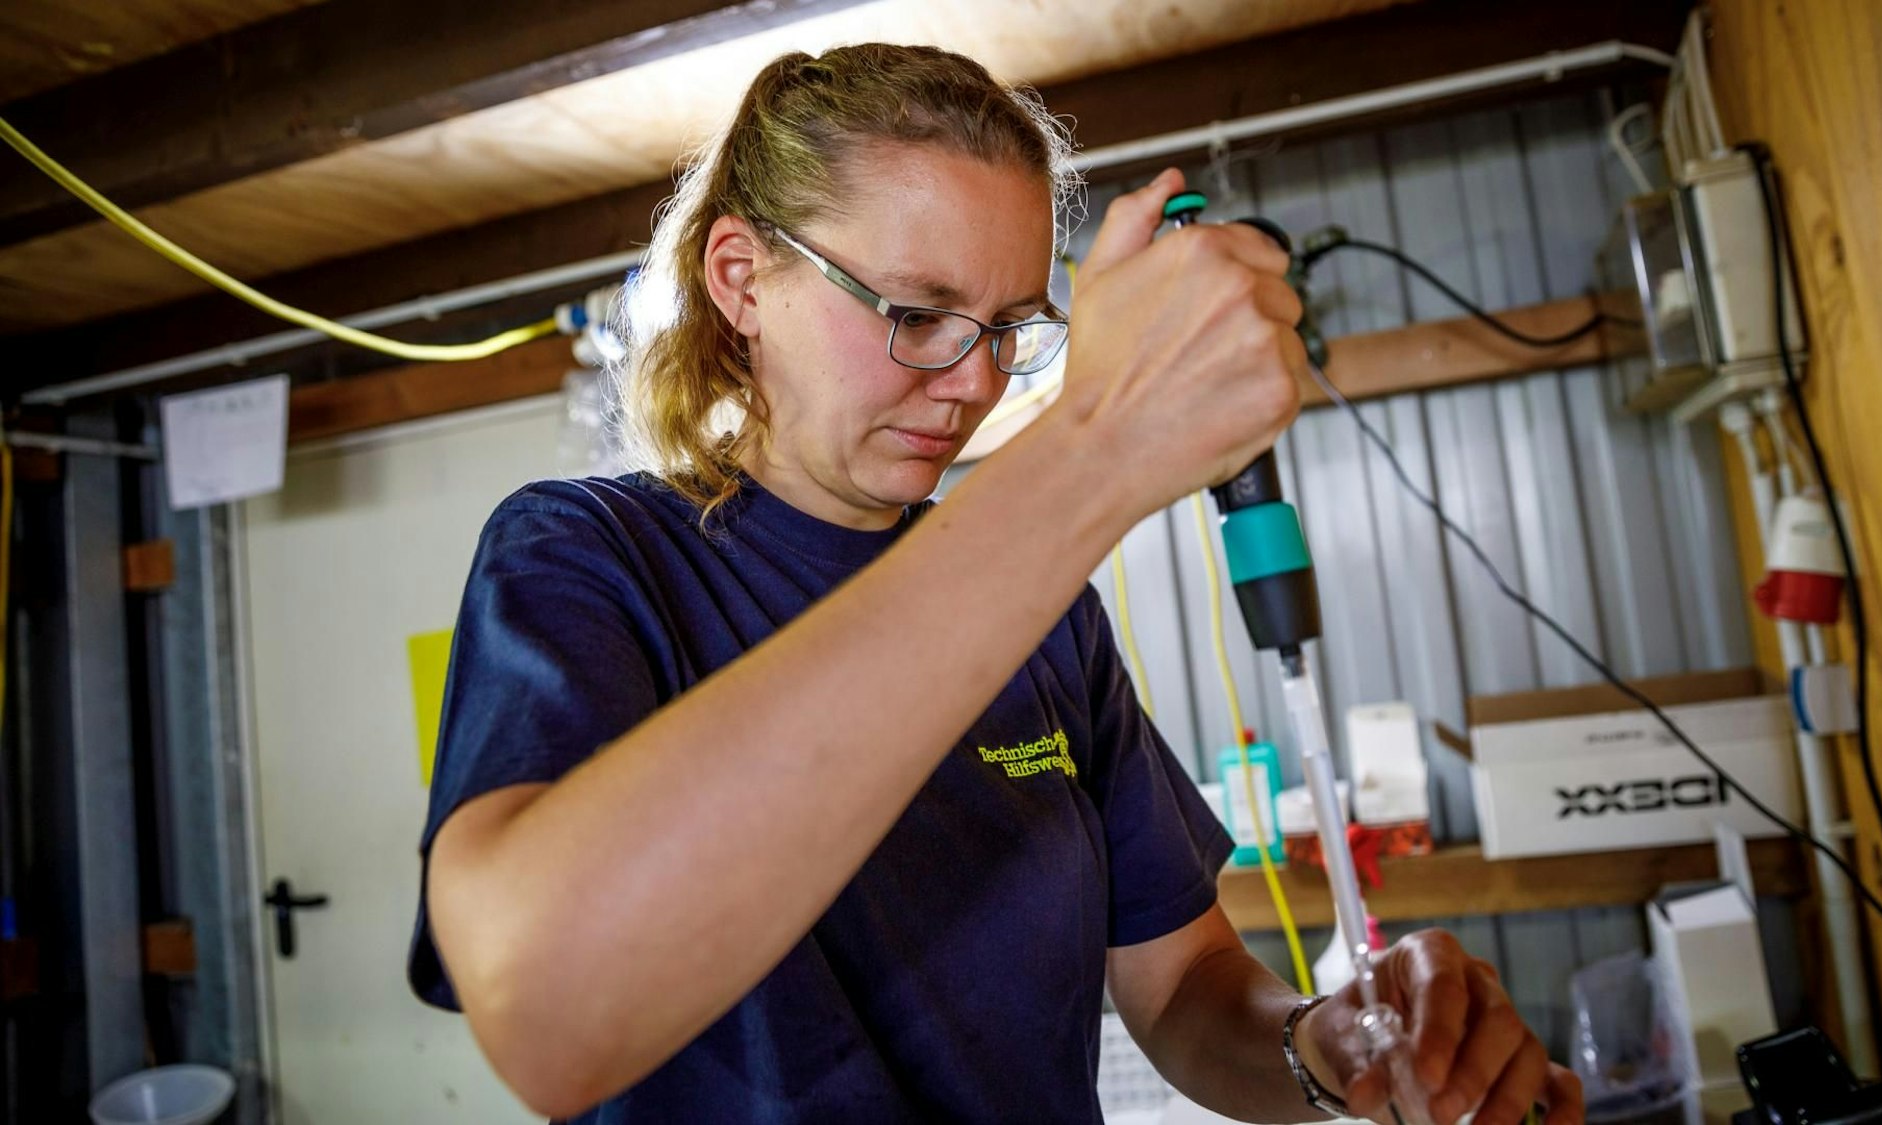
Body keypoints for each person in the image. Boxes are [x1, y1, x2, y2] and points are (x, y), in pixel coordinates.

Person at [409, 42, 1583, 1125]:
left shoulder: (1047, 622)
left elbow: (1183, 988)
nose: (970, 384)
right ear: (739, 279)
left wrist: (1321, 1048)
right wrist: (1093, 456)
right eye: (916, 315)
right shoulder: (591, 558)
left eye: (1009, 325)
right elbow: (545, 1010)